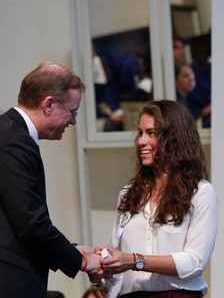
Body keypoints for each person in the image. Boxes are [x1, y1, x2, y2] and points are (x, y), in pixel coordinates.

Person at [0, 62, 102, 298]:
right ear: (48, 104)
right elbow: (31, 224)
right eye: (72, 112)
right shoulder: (15, 141)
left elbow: (14, 218)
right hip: (6, 283)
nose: (73, 122)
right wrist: (80, 261)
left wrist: (72, 249)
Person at [92, 100, 218, 298]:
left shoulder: (200, 192)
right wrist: (106, 263)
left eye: (151, 133)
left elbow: (195, 262)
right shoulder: (128, 195)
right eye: (141, 133)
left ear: (175, 138)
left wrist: (135, 261)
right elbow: (120, 265)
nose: (141, 141)